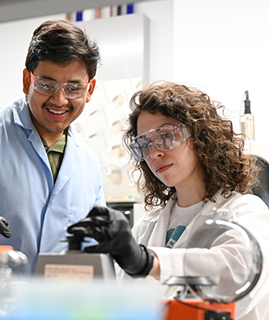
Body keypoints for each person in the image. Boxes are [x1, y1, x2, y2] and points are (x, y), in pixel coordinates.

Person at [68, 81, 269, 320]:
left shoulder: (245, 211)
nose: (154, 153)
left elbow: (239, 275)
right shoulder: (146, 226)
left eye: (166, 136)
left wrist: (148, 261)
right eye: (144, 143)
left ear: (200, 136)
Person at [0, 19, 106, 277]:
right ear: (27, 80)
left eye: (73, 88)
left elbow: (92, 251)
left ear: (89, 89)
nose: (59, 99)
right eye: (47, 84)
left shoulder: (89, 165)